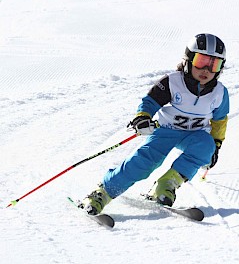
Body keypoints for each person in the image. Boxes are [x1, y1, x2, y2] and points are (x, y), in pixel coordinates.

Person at [79, 33, 230, 215]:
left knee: (207, 146)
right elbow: (150, 102)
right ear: (189, 60)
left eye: (214, 64)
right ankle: (102, 193)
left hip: (195, 135)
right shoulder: (173, 82)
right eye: (201, 61)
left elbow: (220, 122)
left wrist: (217, 146)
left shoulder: (220, 93)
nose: (206, 69)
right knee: (145, 162)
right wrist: (143, 116)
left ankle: (166, 184)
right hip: (166, 130)